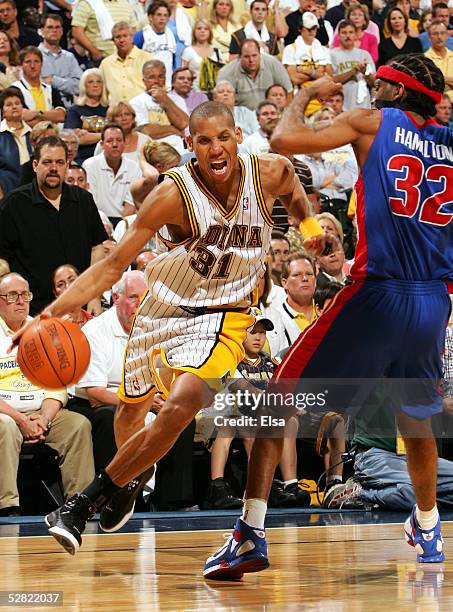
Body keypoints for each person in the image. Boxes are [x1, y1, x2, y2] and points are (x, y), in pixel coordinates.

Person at [12, 100, 318, 555]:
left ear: (237, 134)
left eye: (223, 138)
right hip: (163, 310)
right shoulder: (172, 194)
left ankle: (82, 503)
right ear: (190, 146)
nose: (216, 149)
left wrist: (309, 226)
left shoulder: (270, 171)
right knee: (129, 412)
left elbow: (294, 192)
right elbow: (114, 265)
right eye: (205, 142)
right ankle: (130, 480)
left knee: (180, 405)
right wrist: (50, 313)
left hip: (228, 317)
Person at [207, 54, 452, 579]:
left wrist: (306, 93)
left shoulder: (374, 120)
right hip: (434, 299)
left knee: (275, 399)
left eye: (378, 84)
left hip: (378, 290)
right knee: (417, 419)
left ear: (393, 90)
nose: (371, 91)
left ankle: (249, 533)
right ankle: (429, 530)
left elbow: (286, 140)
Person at [0, 272, 95, 516]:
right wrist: (21, 420)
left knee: (78, 425)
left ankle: (79, 504)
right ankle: (8, 506)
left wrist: (44, 418)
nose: (21, 301)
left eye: (25, 295)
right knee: (6, 428)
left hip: (40, 411)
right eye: (12, 296)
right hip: (6, 413)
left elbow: (57, 386)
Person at [0, 135, 108, 313]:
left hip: (80, 307)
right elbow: (2, 259)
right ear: (35, 165)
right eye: (47, 162)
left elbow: (96, 248)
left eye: (59, 162)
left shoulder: (84, 200)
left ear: (67, 165)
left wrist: (94, 295)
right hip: (33, 311)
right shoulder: (14, 204)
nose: (53, 168)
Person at [83, 124, 141, 227]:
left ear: (124, 143)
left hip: (123, 221)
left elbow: (130, 206)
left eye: (119, 140)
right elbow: (91, 204)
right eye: (110, 141)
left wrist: (121, 230)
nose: (115, 144)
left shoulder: (134, 167)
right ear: (102, 144)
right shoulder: (90, 165)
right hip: (97, 220)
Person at [217, 39, 293, 111]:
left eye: (254, 56)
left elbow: (288, 92)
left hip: (270, 115)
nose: (251, 60)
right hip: (242, 118)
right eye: (247, 57)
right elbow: (219, 101)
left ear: (260, 54)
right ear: (239, 57)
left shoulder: (274, 64)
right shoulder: (226, 73)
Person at [99, 22, 153, 106]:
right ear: (113, 40)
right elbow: (103, 94)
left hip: (142, 111)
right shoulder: (105, 64)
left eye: (125, 36)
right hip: (115, 114)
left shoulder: (146, 58)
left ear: (132, 38)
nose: (122, 40)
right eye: (118, 37)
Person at [64, 68, 109, 164]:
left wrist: (90, 135)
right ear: (84, 86)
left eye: (98, 82)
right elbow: (76, 139)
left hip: (107, 158)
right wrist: (106, 136)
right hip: (83, 159)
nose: (95, 85)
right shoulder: (74, 111)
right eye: (91, 82)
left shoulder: (109, 110)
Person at [38, 14, 83, 109]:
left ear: (62, 31)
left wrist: (54, 80)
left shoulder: (69, 57)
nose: (54, 30)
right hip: (44, 110)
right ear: (41, 31)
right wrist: (67, 82)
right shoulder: (35, 56)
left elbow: (80, 86)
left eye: (57, 27)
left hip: (69, 110)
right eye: (50, 27)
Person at [0, 86, 31, 197]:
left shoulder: (33, 133)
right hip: (5, 188)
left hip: (32, 188)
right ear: (2, 111)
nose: (14, 107)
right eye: (9, 104)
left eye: (17, 103)